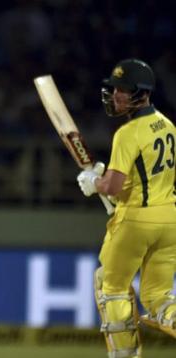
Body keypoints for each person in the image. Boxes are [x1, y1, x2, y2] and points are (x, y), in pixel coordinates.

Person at [77, 58, 176, 357]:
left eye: (123, 90)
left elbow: (114, 187)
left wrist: (96, 182)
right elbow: (144, 176)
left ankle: (124, 355)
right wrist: (103, 174)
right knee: (158, 297)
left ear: (141, 93)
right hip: (170, 218)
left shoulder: (128, 133)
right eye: (114, 89)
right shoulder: (168, 125)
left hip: (135, 223)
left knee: (111, 286)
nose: (115, 95)